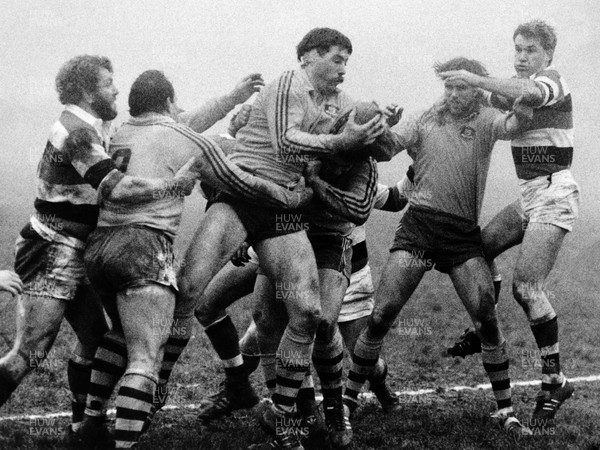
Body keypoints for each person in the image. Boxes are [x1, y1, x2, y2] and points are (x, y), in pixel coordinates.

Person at [78, 69, 315, 449]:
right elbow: (237, 180)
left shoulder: (120, 131)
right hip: (142, 248)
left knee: (122, 332)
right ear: (170, 103)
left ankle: (90, 420)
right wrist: (289, 197)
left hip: (98, 248)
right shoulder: (188, 139)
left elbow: (185, 122)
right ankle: (137, 421)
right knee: (144, 358)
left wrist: (232, 98)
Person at [177, 27, 386, 450]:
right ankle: (284, 414)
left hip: (310, 227)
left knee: (315, 318)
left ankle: (324, 414)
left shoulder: (347, 114)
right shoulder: (288, 88)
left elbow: (364, 193)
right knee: (230, 306)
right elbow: (275, 145)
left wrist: (370, 135)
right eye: (336, 58)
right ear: (308, 57)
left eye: (348, 60)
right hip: (266, 211)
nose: (344, 68)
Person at [0, 55, 200, 435]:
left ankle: (83, 427)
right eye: (109, 83)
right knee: (30, 353)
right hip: (51, 247)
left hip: (78, 247)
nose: (117, 89)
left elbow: (178, 126)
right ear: (88, 92)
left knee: (95, 337)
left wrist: (231, 101)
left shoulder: (95, 124)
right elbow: (117, 188)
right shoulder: (75, 130)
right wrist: (174, 185)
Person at [343, 57, 532, 436]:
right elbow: (384, 150)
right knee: (380, 317)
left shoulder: (486, 119)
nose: (453, 94)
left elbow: (520, 121)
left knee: (487, 319)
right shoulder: (426, 118)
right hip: (420, 228)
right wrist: (386, 125)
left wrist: (499, 86)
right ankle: (345, 406)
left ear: (475, 89)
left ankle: (506, 411)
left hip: (461, 236)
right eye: (448, 86)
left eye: (461, 86)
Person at [440, 20, 578, 429]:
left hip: (555, 192)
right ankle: (484, 322)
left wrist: (477, 78)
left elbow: (530, 92)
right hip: (529, 194)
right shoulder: (512, 90)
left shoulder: (551, 81)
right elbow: (485, 104)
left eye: (531, 50)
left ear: (548, 56)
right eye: (517, 49)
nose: (522, 57)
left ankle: (555, 380)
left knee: (527, 287)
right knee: (477, 251)